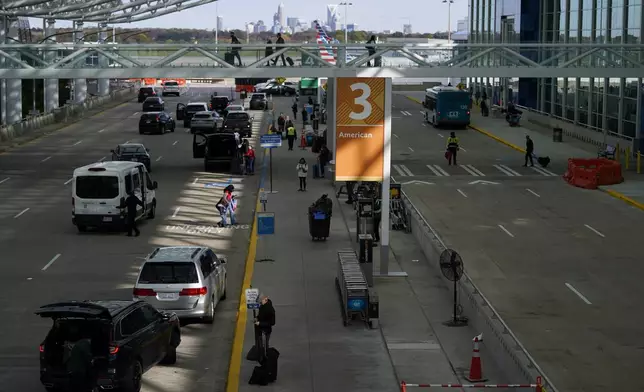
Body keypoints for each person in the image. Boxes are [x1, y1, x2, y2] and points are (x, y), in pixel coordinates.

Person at [64, 325, 94, 392]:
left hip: (72, 370)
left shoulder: (78, 344)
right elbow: (88, 358)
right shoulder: (85, 344)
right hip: (79, 371)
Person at [254, 295, 276, 361]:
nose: (260, 303)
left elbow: (272, 323)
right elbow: (260, 315)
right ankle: (262, 356)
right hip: (260, 329)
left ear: (265, 300)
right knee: (261, 344)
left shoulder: (271, 310)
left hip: (266, 330)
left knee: (265, 344)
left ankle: (266, 357)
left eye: (261, 302)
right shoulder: (262, 306)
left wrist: (260, 323)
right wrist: (257, 318)